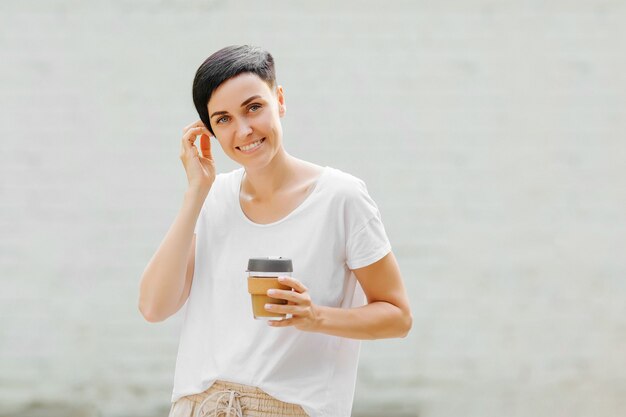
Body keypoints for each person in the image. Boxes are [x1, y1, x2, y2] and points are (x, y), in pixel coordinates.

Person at [138, 45, 413, 417]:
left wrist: (316, 316)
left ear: (279, 100)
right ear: (209, 132)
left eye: (254, 107)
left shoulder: (341, 198)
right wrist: (196, 193)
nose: (244, 130)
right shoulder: (212, 198)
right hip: (199, 406)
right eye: (223, 119)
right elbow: (154, 307)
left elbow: (397, 317)